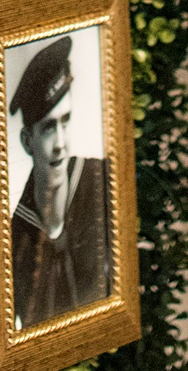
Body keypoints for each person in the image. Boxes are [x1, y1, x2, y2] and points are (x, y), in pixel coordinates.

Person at [9, 32, 113, 329]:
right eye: (48, 129)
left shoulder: (101, 181)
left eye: (65, 122)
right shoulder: (15, 237)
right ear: (27, 141)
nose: (61, 144)